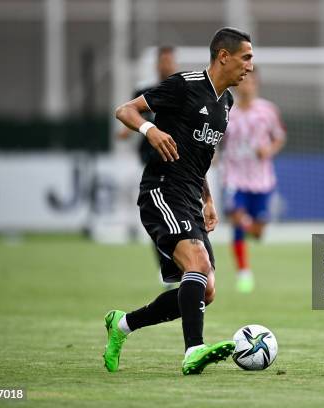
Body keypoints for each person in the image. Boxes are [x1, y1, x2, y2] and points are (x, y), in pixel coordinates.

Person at [104, 27, 254, 376]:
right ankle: (193, 352)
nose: (249, 67)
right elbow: (124, 110)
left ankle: (122, 324)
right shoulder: (184, 84)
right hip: (162, 189)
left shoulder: (226, 103)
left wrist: (209, 199)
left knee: (207, 290)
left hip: (190, 196)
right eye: (246, 57)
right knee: (198, 266)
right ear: (224, 56)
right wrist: (150, 130)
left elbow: (197, 157)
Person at [220, 68, 286, 293]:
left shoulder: (268, 111)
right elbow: (217, 141)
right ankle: (243, 272)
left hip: (262, 180)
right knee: (237, 219)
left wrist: (268, 150)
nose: (246, 86)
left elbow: (279, 137)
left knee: (257, 232)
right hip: (234, 178)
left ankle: (248, 227)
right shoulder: (226, 111)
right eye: (243, 81)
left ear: (256, 84)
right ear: (237, 84)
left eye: (251, 82)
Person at [117, 46, 178, 290]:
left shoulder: (181, 89)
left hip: (177, 164)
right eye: (163, 61)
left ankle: (182, 264)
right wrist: (125, 130)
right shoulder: (144, 92)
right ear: (157, 64)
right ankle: (166, 267)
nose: (167, 65)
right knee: (156, 220)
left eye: (170, 61)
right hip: (149, 164)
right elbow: (130, 116)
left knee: (179, 218)